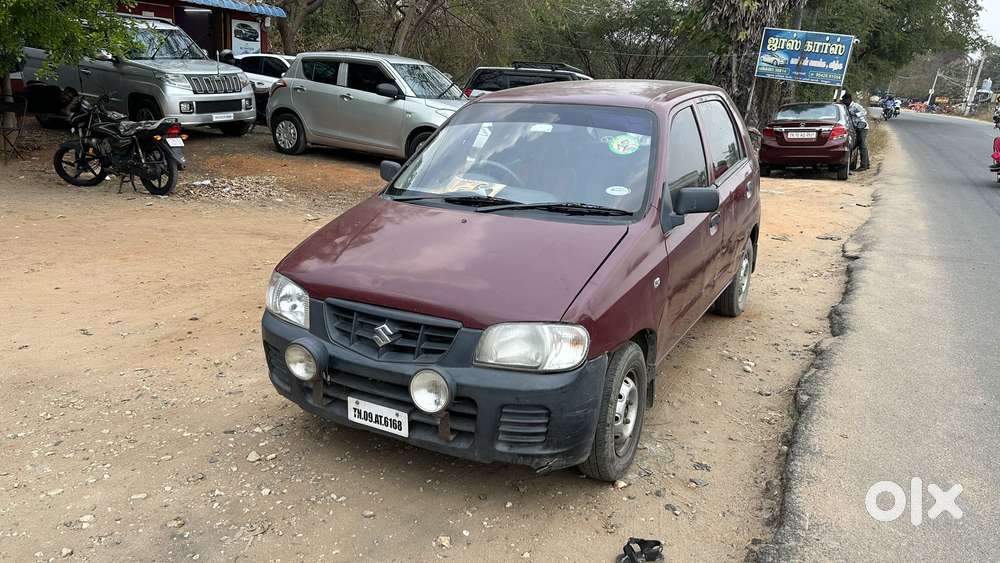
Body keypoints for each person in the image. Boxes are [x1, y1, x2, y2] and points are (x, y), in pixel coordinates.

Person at [842, 93, 870, 171]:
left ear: (849, 100)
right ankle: (860, 164)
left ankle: (864, 165)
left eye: (845, 100)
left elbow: (864, 112)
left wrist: (854, 114)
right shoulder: (845, 107)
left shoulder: (855, 106)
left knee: (862, 145)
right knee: (854, 146)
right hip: (854, 128)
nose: (844, 102)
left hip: (862, 127)